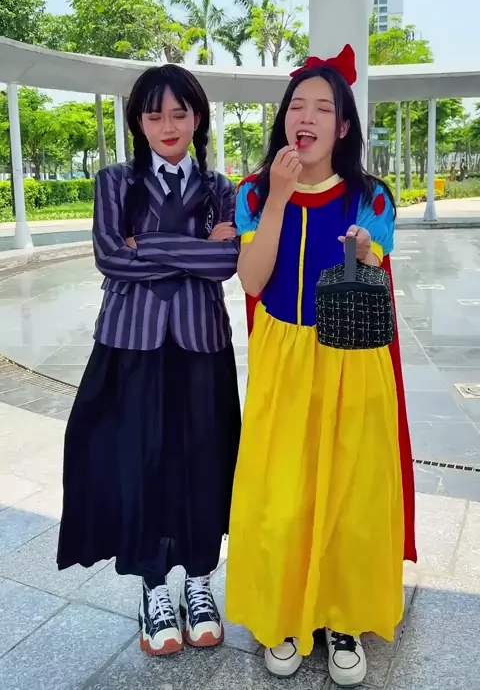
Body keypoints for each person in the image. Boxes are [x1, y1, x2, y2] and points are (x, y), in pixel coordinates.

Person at [225, 46, 416, 686]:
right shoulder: (255, 192)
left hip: (351, 360)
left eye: (323, 108)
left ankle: (342, 619)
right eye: (297, 106)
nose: (306, 117)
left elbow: (372, 272)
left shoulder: (372, 197)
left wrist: (363, 251)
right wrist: (278, 198)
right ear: (284, 118)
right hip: (284, 355)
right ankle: (282, 615)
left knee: (348, 494)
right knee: (282, 494)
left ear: (344, 125)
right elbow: (253, 281)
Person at [57, 65, 241, 657]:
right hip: (130, 344)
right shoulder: (115, 181)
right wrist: (195, 248)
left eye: (180, 114)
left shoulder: (220, 188)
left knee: (204, 459)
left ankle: (200, 580)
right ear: (138, 121)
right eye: (155, 114)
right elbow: (111, 257)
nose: (168, 126)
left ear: (197, 118)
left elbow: (226, 264)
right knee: (142, 461)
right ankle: (154, 588)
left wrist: (150, 246)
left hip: (200, 343)